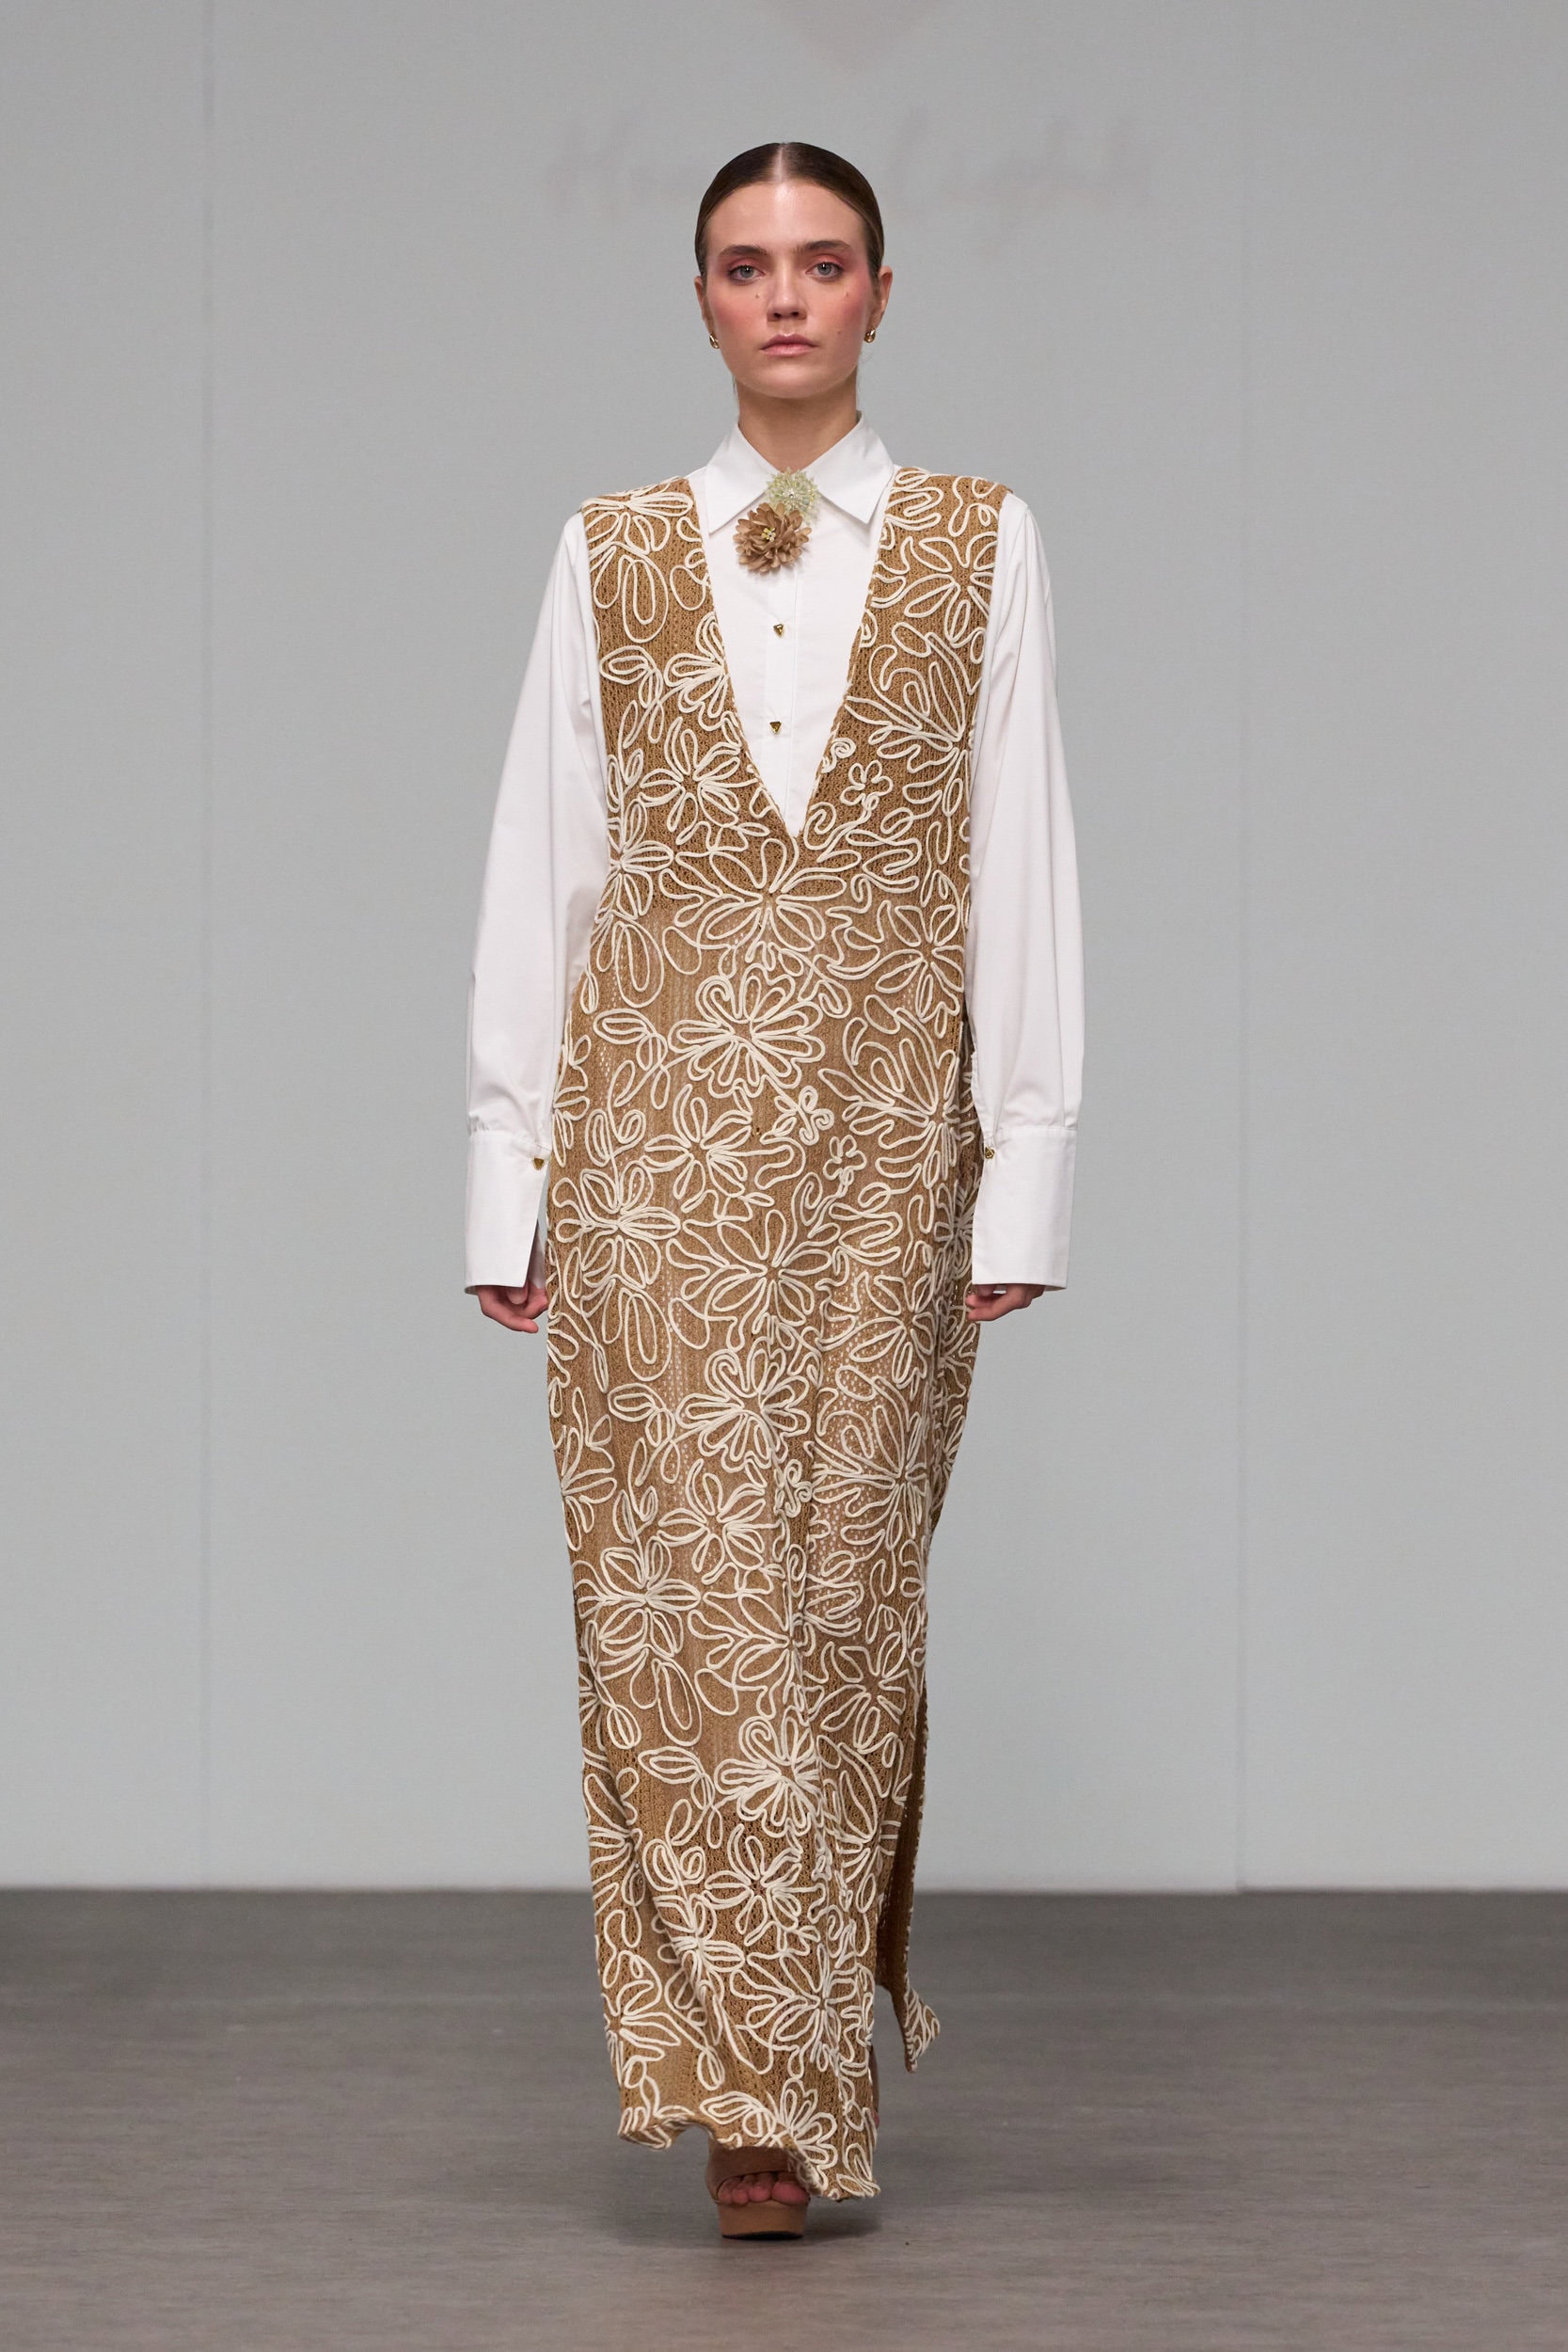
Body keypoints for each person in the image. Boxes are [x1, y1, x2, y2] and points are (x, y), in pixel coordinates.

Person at [465, 141, 1083, 2240]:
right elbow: (548, 861)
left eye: (824, 262)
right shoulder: (610, 548)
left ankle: (798, 2039)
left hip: (893, 1132)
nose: (788, 295)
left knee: (842, 1591)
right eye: (748, 265)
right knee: (680, 1593)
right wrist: (506, 1169)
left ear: (883, 292)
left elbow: (1020, 852)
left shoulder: (985, 541)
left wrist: (1028, 1164)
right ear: (704, 297)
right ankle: (752, 2093)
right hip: (648, 1139)